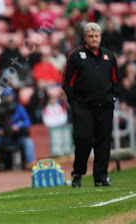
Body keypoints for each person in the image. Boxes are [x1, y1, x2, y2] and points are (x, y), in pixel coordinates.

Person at [62, 22, 120, 188]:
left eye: (96, 36)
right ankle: (78, 174)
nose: (94, 39)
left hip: (105, 106)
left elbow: (116, 79)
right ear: (85, 38)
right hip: (83, 107)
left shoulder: (109, 55)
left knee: (103, 142)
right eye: (91, 36)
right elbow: (67, 82)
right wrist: (75, 103)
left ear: (100, 37)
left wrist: (113, 98)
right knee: (83, 139)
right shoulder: (75, 55)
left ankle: (100, 177)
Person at [0, 87, 36, 172]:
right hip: (2, 138)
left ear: (13, 96)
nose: (8, 98)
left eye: (9, 96)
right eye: (5, 96)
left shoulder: (18, 107)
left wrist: (18, 126)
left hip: (16, 138)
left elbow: (27, 121)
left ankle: (30, 162)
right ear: (2, 98)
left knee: (28, 141)